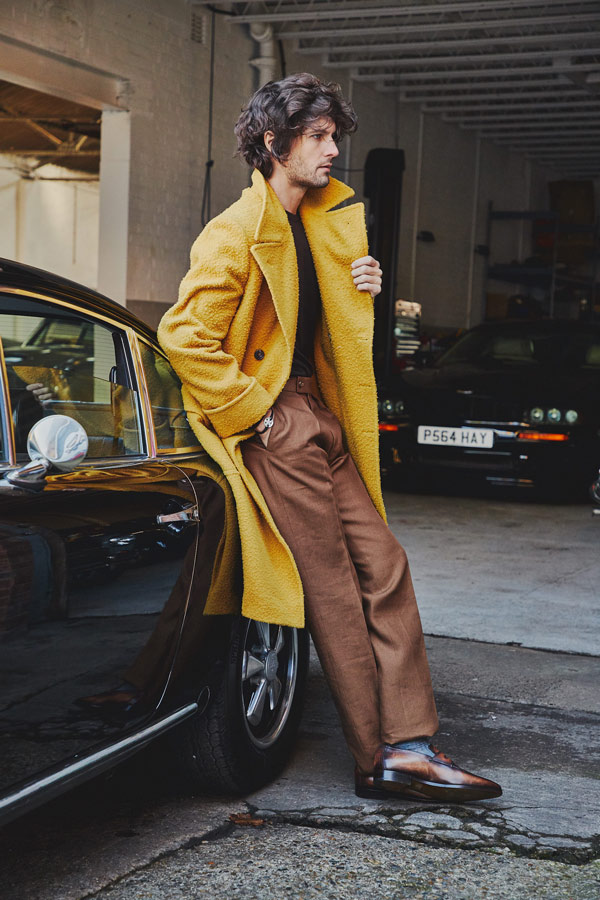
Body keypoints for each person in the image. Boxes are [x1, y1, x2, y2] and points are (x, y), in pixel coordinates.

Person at [158, 73, 502, 803]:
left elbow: (319, 325)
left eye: (334, 135)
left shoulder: (318, 221)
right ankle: (380, 756)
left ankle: (412, 741)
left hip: (324, 416)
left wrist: (361, 286)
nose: (333, 150)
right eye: (318, 137)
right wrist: (259, 412)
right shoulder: (235, 230)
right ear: (275, 143)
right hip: (277, 423)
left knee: (386, 564)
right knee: (333, 591)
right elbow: (183, 335)